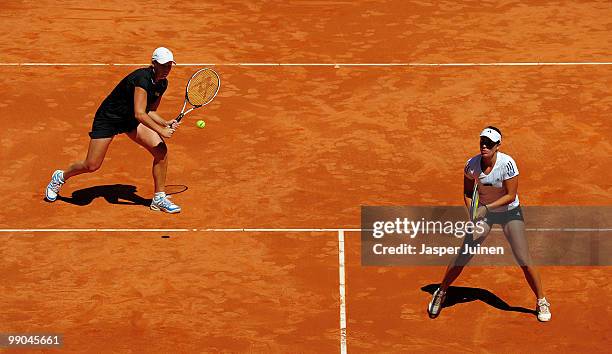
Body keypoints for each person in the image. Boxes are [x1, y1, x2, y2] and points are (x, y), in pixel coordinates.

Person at [427, 126, 551, 322]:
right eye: (482, 142)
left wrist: (487, 208)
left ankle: (541, 300)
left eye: (489, 143)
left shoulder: (508, 164)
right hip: (484, 214)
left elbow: (510, 196)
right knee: (464, 254)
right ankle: (441, 292)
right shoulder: (472, 165)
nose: (484, 146)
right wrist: (472, 212)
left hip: (509, 213)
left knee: (523, 257)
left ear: (498, 146)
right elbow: (468, 193)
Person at [45, 47, 181, 213]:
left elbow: (150, 111)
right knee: (91, 165)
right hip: (109, 119)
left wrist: (165, 122)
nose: (167, 69)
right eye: (163, 65)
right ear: (153, 64)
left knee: (161, 151)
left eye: (169, 65)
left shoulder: (162, 83)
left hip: (129, 120)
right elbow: (140, 113)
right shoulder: (142, 79)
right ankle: (60, 177)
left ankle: (159, 198)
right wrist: (162, 130)